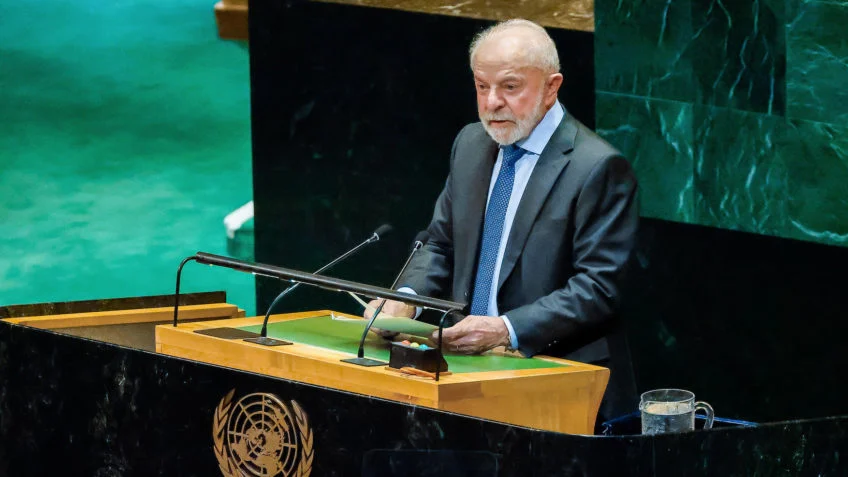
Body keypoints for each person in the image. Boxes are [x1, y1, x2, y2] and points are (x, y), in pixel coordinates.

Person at [365, 19, 639, 425]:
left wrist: (505, 329)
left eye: (510, 87)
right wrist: (407, 299)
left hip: (557, 379)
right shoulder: (471, 145)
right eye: (481, 86)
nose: (492, 102)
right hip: (462, 373)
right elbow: (440, 244)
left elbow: (598, 287)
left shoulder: (597, 167)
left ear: (551, 86)